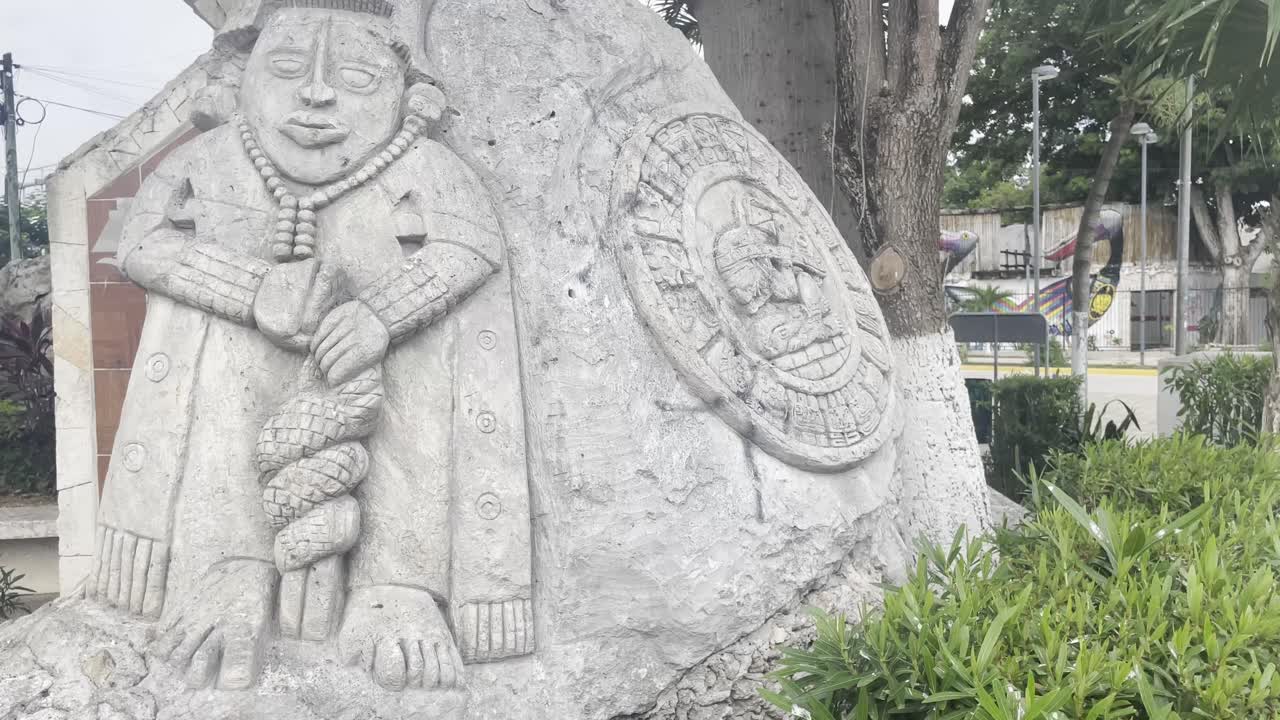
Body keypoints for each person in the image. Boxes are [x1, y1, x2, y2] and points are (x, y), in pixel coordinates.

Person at [86, 0, 532, 692]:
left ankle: (400, 586)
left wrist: (383, 315)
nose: (317, 93)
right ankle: (228, 567)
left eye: (356, 78)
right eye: (287, 68)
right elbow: (142, 243)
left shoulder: (427, 167)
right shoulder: (210, 160)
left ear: (409, 98)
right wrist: (246, 289)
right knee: (223, 355)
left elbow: (473, 245)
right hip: (248, 392)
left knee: (424, 367)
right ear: (239, 82)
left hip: (375, 388)